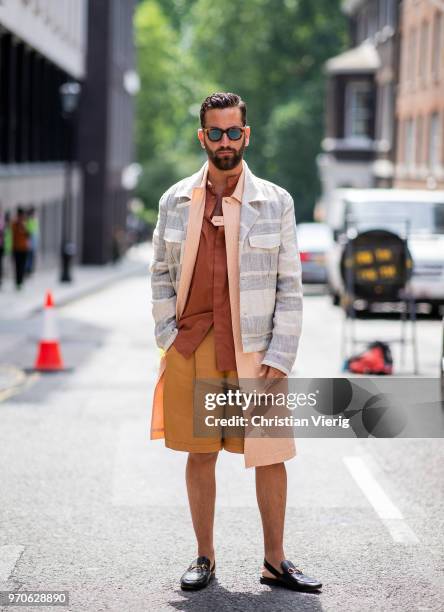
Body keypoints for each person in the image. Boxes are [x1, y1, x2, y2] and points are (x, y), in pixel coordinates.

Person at [150, 92, 322, 593]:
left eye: (233, 132)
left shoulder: (277, 201)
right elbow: (160, 273)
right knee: (200, 453)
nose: (225, 141)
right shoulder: (174, 200)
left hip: (256, 350)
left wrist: (280, 354)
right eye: (215, 132)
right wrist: (167, 333)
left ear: (246, 135)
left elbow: (291, 285)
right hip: (195, 344)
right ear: (202, 136)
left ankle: (275, 561)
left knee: (269, 455)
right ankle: (204, 558)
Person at [12, 207, 30, 290]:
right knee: (17, 265)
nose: (21, 217)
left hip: (24, 248)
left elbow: (28, 235)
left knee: (22, 266)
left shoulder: (25, 223)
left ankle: (21, 281)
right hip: (16, 248)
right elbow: (13, 234)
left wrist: (24, 227)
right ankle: (17, 282)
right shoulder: (14, 224)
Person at [25, 206, 39, 276]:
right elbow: (28, 232)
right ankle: (28, 270)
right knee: (28, 257)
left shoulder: (34, 220)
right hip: (29, 243)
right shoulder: (28, 220)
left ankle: (30, 270)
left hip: (33, 243)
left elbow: (36, 232)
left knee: (31, 257)